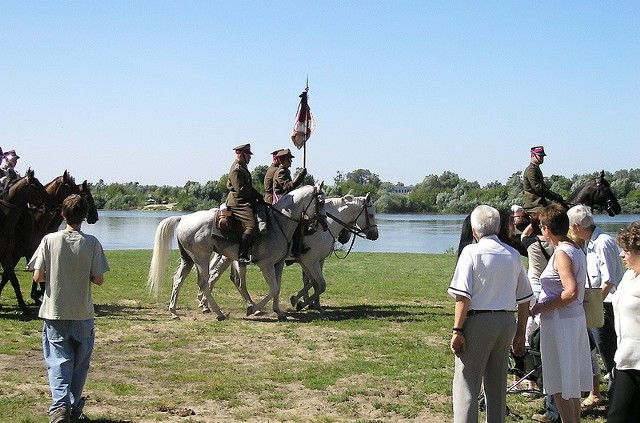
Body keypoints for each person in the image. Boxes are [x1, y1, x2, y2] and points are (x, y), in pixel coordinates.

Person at [448, 205, 533, 423]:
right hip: (505, 321)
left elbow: (463, 297)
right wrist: (520, 332)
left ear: (474, 231)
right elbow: (524, 299)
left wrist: (457, 330)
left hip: (478, 320)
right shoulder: (512, 254)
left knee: (467, 384)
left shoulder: (471, 252)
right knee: (497, 384)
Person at [29, 194, 109, 423]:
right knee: (79, 365)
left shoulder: (49, 240)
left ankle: (60, 408)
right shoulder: (92, 242)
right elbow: (99, 279)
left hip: (55, 312)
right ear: (84, 216)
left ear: (62, 214)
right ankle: (72, 407)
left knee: (58, 362)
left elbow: (37, 276)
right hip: (83, 313)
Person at [529, 204, 592, 423]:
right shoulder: (574, 248)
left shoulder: (563, 253)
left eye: (541, 227)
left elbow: (570, 292)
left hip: (561, 322)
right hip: (570, 321)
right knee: (568, 382)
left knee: (560, 381)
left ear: (547, 228)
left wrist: (540, 307)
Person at [566, 204, 624, 408]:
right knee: (589, 350)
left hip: (605, 307)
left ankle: (618, 398)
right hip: (596, 304)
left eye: (570, 226)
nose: (570, 231)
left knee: (609, 354)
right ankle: (596, 392)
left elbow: (609, 281)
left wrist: (593, 305)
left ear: (576, 226)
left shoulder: (603, 243)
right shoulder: (590, 243)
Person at [607, 221, 640, 422]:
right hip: (625, 359)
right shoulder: (629, 275)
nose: (621, 255)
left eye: (626, 250)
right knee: (618, 416)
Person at [226, 143, 264, 266]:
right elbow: (241, 190)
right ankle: (242, 256)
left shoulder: (243, 166)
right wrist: (257, 196)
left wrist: (258, 196)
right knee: (251, 226)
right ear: (241, 154)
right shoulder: (237, 169)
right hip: (238, 202)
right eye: (248, 154)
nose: (250, 157)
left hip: (244, 200)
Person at [522, 146, 564, 214]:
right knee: (549, 216)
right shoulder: (531, 169)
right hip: (533, 203)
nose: (542, 158)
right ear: (533, 155)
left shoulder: (536, 168)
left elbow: (543, 187)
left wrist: (556, 196)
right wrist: (554, 197)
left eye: (543, 156)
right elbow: (538, 188)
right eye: (540, 156)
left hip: (539, 201)